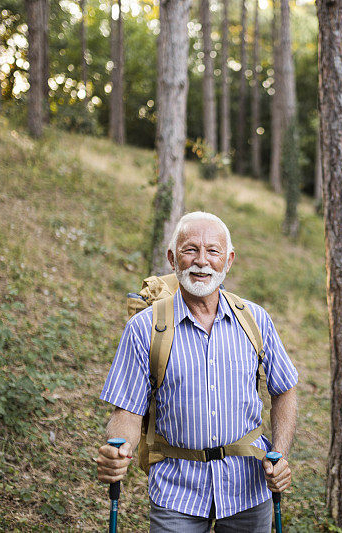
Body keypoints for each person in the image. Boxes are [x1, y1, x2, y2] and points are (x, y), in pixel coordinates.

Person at [95, 211, 299, 533]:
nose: (201, 261)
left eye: (213, 251)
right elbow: (127, 412)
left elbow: (284, 389)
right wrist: (119, 447)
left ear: (228, 260)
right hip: (178, 494)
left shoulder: (255, 320)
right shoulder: (143, 329)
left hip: (248, 488)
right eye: (190, 250)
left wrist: (279, 454)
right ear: (172, 258)